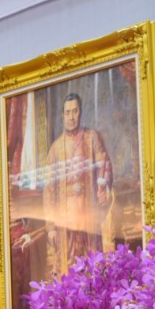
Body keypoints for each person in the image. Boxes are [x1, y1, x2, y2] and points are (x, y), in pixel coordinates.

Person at [42, 92, 114, 273]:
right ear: (62, 116)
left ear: (80, 112)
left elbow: (104, 164)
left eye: (75, 111)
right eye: (67, 112)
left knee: (93, 270)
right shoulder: (55, 149)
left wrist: (103, 188)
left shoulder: (92, 138)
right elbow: (49, 191)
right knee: (69, 272)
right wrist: (50, 227)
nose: (71, 117)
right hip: (65, 224)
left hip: (89, 218)